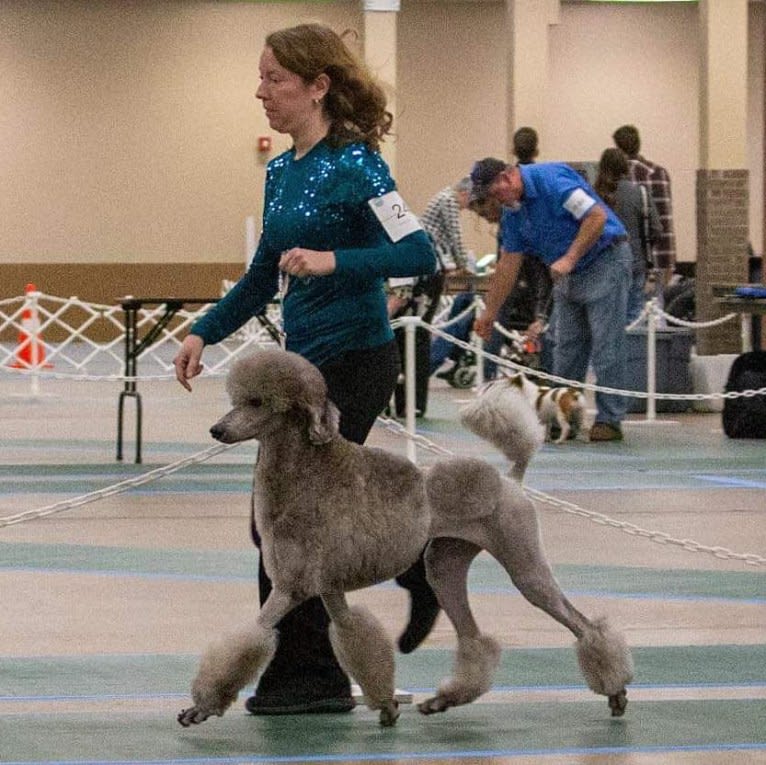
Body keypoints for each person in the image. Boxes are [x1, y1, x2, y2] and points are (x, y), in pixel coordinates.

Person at [173, 23, 438, 717]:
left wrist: (334, 261)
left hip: (354, 360)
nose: (261, 92)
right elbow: (263, 275)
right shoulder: (282, 170)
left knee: (290, 527)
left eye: (274, 80)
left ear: (318, 86)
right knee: (280, 524)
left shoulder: (359, 164)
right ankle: (411, 566)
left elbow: (421, 254)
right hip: (296, 370)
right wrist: (204, 330)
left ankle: (308, 677)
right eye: (260, 79)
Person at [470, 158, 632, 442]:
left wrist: (570, 258)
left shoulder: (552, 182)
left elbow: (596, 217)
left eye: (495, 193)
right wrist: (489, 313)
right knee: (565, 349)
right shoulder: (513, 214)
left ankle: (610, 420)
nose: (495, 202)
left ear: (508, 177)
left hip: (605, 260)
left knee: (607, 346)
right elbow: (508, 264)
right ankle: (565, 417)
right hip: (568, 272)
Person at [595, 148, 661, 323]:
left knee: (606, 318)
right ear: (626, 168)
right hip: (635, 261)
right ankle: (632, 350)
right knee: (634, 316)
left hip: (603, 265)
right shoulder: (640, 193)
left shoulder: (595, 195)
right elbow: (656, 228)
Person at [612, 125, 676, 284]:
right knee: (656, 305)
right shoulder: (659, 172)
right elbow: (665, 219)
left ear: (618, 147)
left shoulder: (616, 176)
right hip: (661, 255)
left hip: (627, 257)